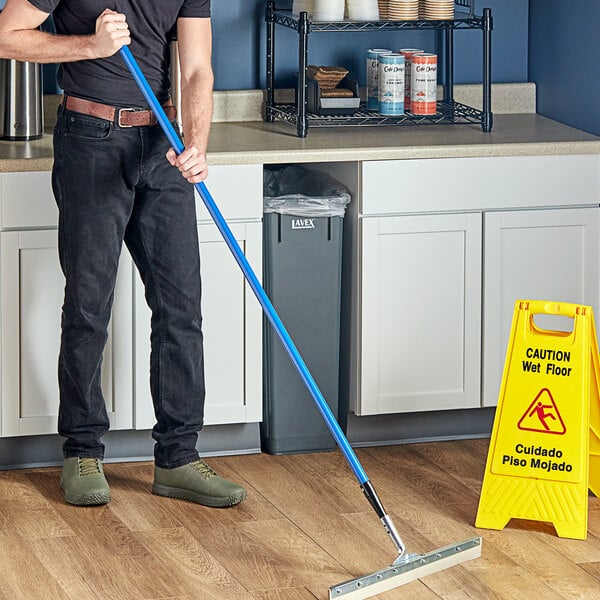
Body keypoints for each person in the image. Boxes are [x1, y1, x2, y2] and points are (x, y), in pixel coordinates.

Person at [0, 0, 246, 508]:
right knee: (89, 306)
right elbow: (6, 35)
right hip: (91, 138)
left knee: (181, 308)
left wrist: (197, 144)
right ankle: (82, 450)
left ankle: (178, 458)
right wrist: (90, 45)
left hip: (164, 144)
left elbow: (197, 66)